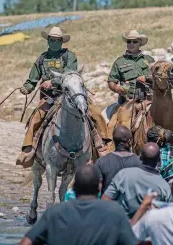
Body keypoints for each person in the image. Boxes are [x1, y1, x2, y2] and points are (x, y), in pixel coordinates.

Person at [17, 26, 109, 168]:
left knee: (95, 113)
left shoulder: (69, 56)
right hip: (50, 97)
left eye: (57, 40)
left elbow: (69, 73)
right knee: (36, 117)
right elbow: (32, 79)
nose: (54, 42)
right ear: (48, 40)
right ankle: (29, 149)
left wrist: (52, 81)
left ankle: (102, 143)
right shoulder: (41, 59)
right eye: (51, 39)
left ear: (61, 41)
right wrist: (27, 88)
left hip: (71, 95)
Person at [19, 165, 137, 245]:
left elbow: (26, 242)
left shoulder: (53, 213)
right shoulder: (115, 212)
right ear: (99, 186)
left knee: (98, 133)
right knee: (35, 128)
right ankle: (32, 148)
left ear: (74, 186)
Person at [102, 142, 172, 218]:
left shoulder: (124, 174)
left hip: (124, 225)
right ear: (159, 160)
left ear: (140, 157)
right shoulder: (165, 187)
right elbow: (169, 214)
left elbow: (105, 200)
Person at [107, 30, 155, 118]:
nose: (131, 44)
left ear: (140, 43)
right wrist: (117, 89)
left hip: (149, 99)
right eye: (129, 41)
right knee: (119, 128)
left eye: (135, 41)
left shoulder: (149, 60)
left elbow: (157, 77)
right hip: (128, 101)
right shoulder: (120, 62)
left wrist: (147, 78)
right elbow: (111, 81)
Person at [95, 125, 141, 194]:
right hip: (133, 204)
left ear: (114, 141)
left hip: (108, 204)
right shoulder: (140, 162)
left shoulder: (101, 162)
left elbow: (97, 189)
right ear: (129, 141)